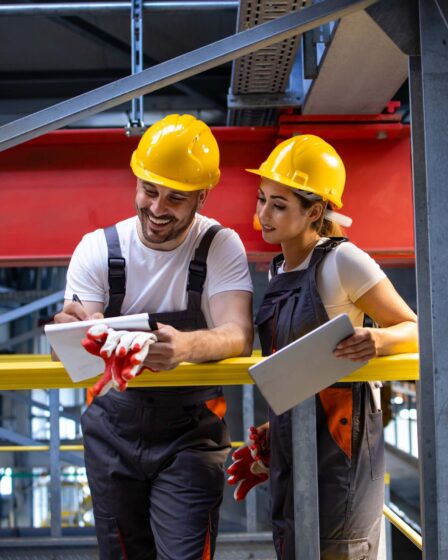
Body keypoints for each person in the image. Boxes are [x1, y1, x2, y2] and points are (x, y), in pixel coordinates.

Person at [54, 114, 254, 560]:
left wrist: (185, 347)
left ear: (202, 196)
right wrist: (72, 330)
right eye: (149, 190)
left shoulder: (219, 246)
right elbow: (85, 338)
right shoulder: (98, 249)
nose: (158, 208)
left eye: (176, 198)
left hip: (190, 432)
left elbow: (239, 334)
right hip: (112, 428)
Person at [227, 134, 418, 560]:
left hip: (341, 454)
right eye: (262, 199)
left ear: (314, 211)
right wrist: (276, 436)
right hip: (295, 449)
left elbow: (417, 330)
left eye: (279, 205)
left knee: (336, 549)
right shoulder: (279, 269)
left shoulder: (344, 261)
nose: (263, 214)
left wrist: (379, 339)